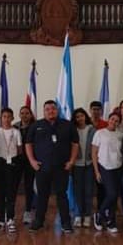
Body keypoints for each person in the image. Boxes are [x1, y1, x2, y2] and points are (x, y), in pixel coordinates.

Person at [25, 100, 79, 233]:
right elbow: (28, 143)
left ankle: (66, 223)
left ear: (57, 110)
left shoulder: (67, 125)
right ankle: (39, 222)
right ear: (44, 111)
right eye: (48, 109)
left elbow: (75, 144)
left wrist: (71, 161)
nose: (51, 111)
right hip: (42, 167)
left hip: (61, 167)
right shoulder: (36, 125)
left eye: (53, 109)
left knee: (62, 195)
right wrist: (32, 161)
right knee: (42, 195)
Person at [0, 108, 23, 233]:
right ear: (1, 118)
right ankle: (0, 220)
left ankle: (10, 219)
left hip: (13, 163)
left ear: (13, 118)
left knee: (11, 193)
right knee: (0, 193)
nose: (6, 119)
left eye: (9, 116)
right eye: (4, 116)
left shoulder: (16, 132)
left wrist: (14, 159)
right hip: (0, 163)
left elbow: (20, 149)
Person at [92, 111, 123, 233]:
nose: (114, 122)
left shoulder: (121, 135)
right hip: (104, 166)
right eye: (112, 119)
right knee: (111, 194)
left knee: (114, 197)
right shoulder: (100, 133)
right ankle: (99, 214)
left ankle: (111, 220)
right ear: (108, 119)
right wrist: (96, 171)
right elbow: (94, 152)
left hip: (118, 166)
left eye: (116, 120)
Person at [71, 108, 95, 228]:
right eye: (77, 117)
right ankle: (77, 215)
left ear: (86, 116)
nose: (80, 118)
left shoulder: (92, 130)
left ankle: (87, 216)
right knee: (78, 191)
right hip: (77, 165)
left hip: (90, 164)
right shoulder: (72, 130)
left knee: (88, 191)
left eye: (82, 116)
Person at [14, 105, 37, 224]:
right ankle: (11, 212)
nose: (24, 115)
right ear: (19, 115)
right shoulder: (14, 127)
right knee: (15, 185)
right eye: (22, 113)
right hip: (17, 161)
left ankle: (28, 211)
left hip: (31, 161)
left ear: (31, 114)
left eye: (27, 113)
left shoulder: (36, 127)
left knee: (29, 186)